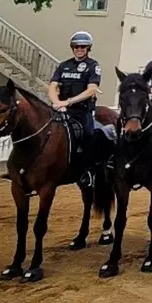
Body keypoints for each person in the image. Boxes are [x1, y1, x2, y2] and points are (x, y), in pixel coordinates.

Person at [49, 31, 102, 188]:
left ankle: (87, 170)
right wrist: (56, 101)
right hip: (62, 109)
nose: (79, 49)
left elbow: (92, 90)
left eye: (83, 47)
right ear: (72, 48)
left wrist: (69, 101)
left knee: (89, 134)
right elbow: (52, 86)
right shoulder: (64, 65)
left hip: (82, 111)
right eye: (76, 47)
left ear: (88, 48)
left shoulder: (93, 66)